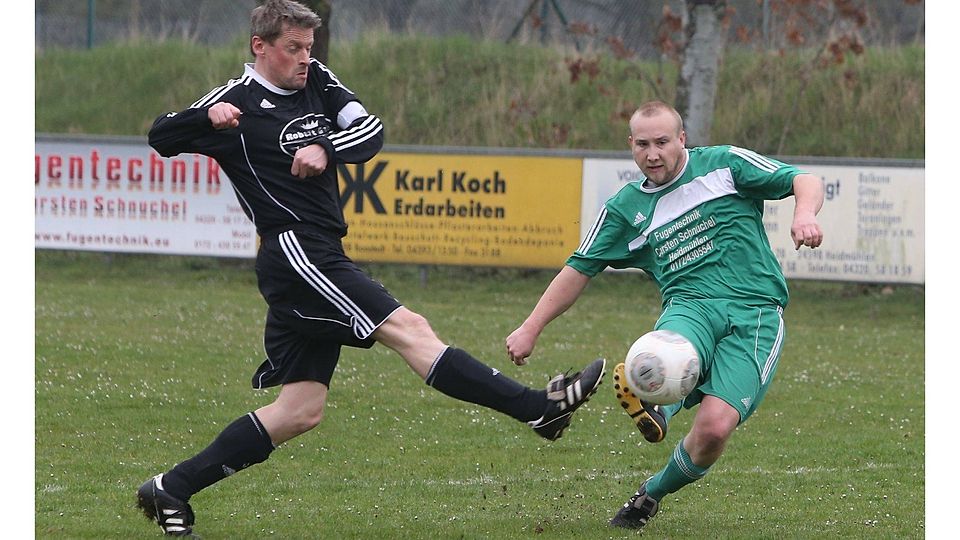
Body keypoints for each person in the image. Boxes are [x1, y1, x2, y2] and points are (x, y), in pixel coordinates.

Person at [135, 1, 605, 536]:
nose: (305, 58)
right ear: (259, 47)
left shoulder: (319, 82)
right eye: (293, 48)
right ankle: (537, 409)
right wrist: (204, 118)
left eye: (309, 47)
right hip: (295, 254)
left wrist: (325, 148)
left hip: (321, 253)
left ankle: (171, 487)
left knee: (300, 410)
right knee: (411, 329)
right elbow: (160, 135)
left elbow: (370, 132)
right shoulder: (234, 103)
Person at [505, 100, 823, 529]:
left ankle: (650, 493)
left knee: (713, 431)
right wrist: (531, 326)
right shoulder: (625, 208)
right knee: (662, 357)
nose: (652, 154)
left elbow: (805, 180)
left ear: (681, 140)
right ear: (630, 146)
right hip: (688, 307)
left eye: (661, 142)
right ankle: (654, 408)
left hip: (756, 314)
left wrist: (804, 213)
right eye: (642, 145)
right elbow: (580, 267)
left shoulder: (724, 165)